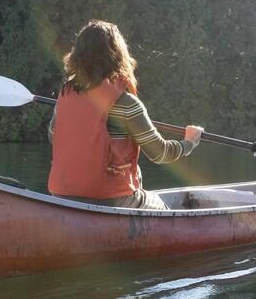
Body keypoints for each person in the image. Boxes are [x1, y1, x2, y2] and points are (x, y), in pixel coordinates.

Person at [48, 20, 203, 210]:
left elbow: (53, 137)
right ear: (117, 55)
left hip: (60, 196)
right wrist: (188, 143)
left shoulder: (64, 97)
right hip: (109, 198)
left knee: (135, 175)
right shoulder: (127, 104)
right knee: (162, 209)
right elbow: (160, 153)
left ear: (77, 56)